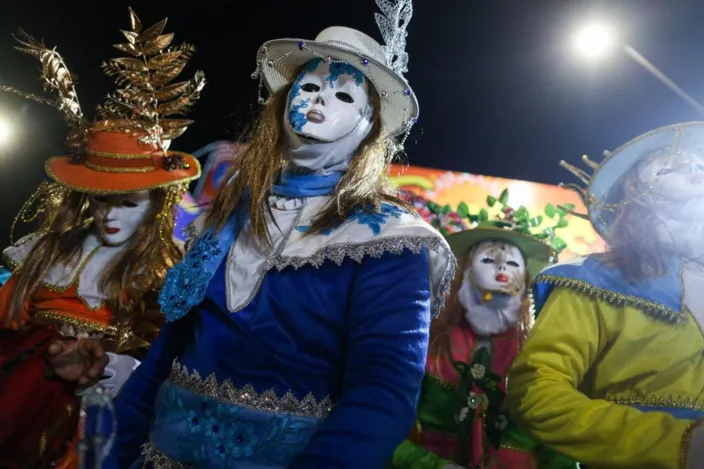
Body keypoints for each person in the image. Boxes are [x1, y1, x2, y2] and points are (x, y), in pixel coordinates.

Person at [107, 1, 457, 468]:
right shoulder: (225, 217)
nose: (320, 99)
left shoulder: (391, 241)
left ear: (370, 125)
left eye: (345, 96)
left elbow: (383, 393)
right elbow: (164, 356)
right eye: (309, 85)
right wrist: (111, 453)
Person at [0, 8, 203, 468]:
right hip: (21, 390)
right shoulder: (44, 251)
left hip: (101, 411)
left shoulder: (163, 273)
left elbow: (164, 353)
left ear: (156, 206)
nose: (110, 214)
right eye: (99, 199)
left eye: (128, 203)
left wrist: (107, 363)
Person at [508, 122, 704, 469]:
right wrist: (679, 444)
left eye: (698, 162)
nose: (693, 168)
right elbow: (537, 393)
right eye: (668, 163)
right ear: (635, 188)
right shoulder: (594, 279)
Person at [390, 191, 576, 469]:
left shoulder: (542, 356)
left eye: (513, 263)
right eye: (488, 261)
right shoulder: (426, 347)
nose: (502, 267)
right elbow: (386, 429)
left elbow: (558, 446)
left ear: (525, 281)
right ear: (464, 272)